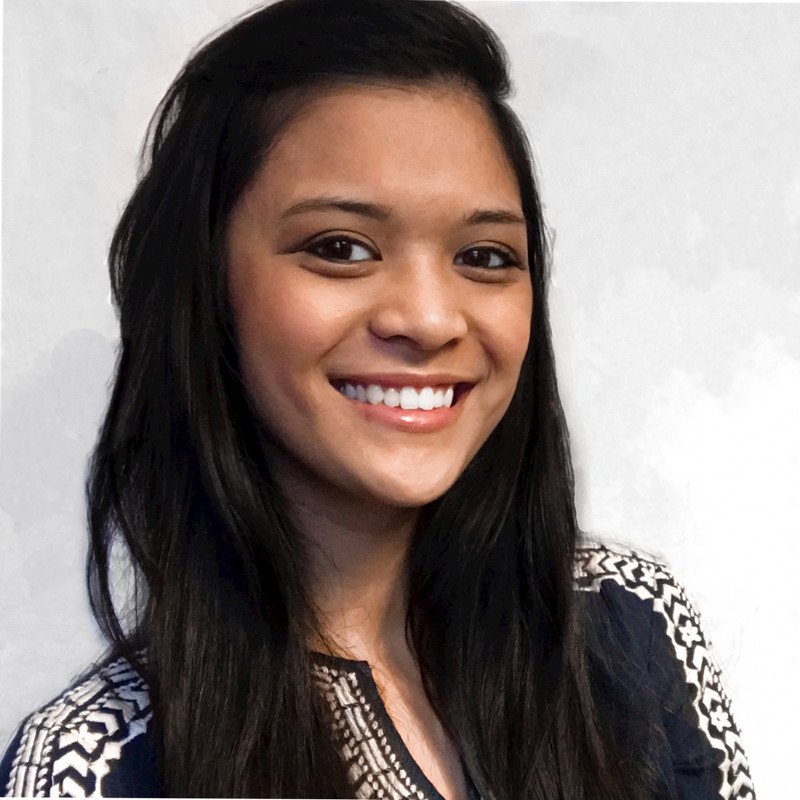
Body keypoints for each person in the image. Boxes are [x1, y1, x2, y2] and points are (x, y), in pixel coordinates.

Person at [0, 0, 755, 797]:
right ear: (203, 289)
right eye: (341, 248)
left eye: (484, 255)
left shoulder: (627, 623)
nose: (430, 319)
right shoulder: (94, 769)